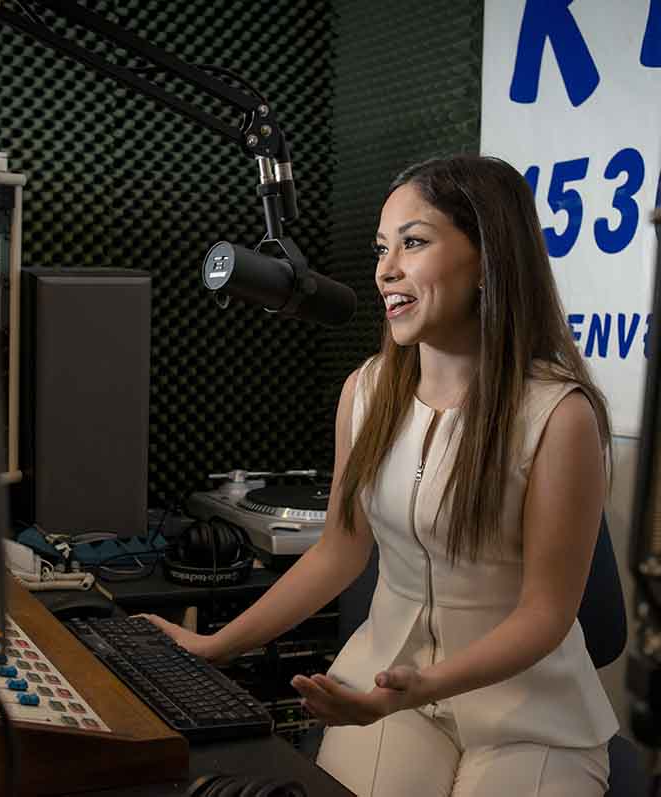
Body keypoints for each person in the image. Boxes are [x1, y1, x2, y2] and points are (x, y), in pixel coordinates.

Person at [143, 155, 618, 796]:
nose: (385, 269)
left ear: (487, 260)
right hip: (384, 685)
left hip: (526, 710)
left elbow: (546, 615)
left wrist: (426, 684)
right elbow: (341, 549)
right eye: (381, 248)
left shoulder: (559, 415)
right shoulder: (365, 392)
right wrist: (216, 646)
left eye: (413, 243)